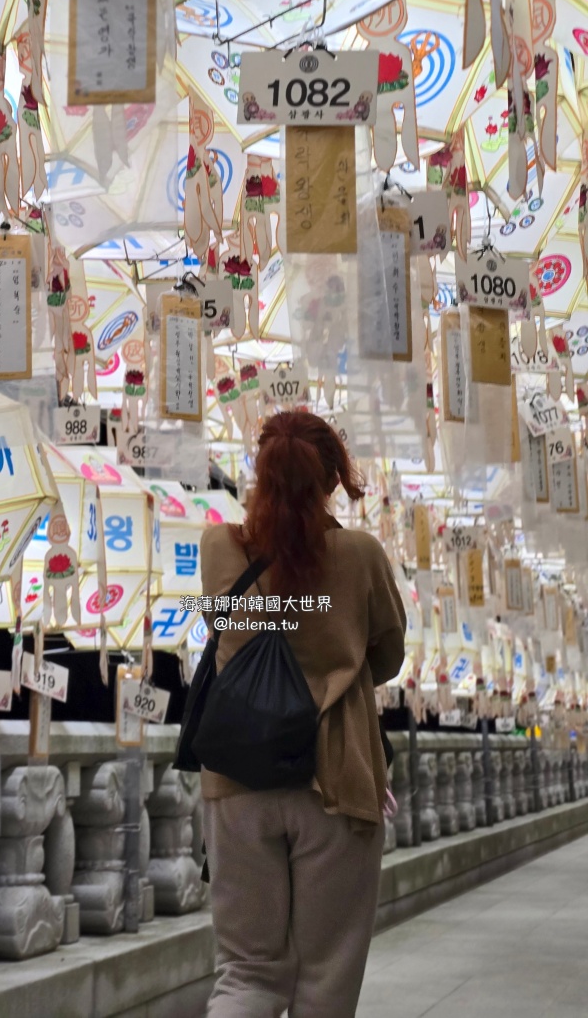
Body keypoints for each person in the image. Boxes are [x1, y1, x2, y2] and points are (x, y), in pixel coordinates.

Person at [200, 410, 406, 1018]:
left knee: (245, 973)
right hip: (335, 779)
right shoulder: (361, 555)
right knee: (325, 978)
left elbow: (219, 631)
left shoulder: (217, 548)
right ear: (332, 479)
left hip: (237, 777)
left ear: (259, 473)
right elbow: (389, 656)